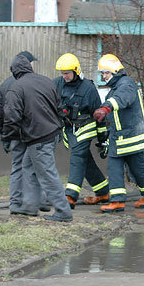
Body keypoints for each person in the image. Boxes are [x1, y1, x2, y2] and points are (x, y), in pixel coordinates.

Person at [2, 53, 73, 222]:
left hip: (38, 138)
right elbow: (59, 107)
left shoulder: (17, 87)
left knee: (47, 174)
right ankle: (30, 207)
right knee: (28, 167)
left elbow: (11, 117)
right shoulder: (46, 81)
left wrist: (8, 137)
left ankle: (63, 211)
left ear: (15, 71)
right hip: (52, 133)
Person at [92, 53, 144, 213]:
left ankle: (118, 201)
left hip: (128, 136)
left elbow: (121, 100)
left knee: (115, 166)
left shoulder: (125, 84)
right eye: (103, 73)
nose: (104, 76)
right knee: (137, 167)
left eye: (106, 73)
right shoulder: (119, 85)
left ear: (114, 71)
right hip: (125, 136)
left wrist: (105, 108)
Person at [0, 51, 50, 214]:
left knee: (18, 167)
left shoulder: (5, 85)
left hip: (15, 133)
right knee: (37, 166)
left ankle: (15, 203)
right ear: (29, 64)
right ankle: (39, 201)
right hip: (33, 133)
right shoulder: (35, 82)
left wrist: (4, 135)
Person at [53, 53, 109, 209]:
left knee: (78, 157)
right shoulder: (58, 84)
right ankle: (103, 191)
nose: (64, 76)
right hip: (69, 129)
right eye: (62, 73)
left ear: (76, 71)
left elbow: (99, 115)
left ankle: (70, 196)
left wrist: (103, 139)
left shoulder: (88, 88)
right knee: (86, 161)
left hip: (86, 128)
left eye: (67, 73)